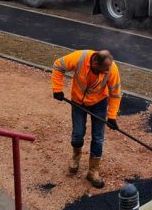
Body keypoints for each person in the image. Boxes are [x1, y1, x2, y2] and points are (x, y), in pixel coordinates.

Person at [51, 49, 122, 188]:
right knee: (77, 134)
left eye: (108, 68)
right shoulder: (80, 57)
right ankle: (75, 159)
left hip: (99, 103)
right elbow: (58, 65)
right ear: (95, 63)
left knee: (98, 137)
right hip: (78, 101)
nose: (107, 71)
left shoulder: (112, 69)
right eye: (104, 69)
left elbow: (115, 93)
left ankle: (93, 171)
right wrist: (57, 89)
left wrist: (112, 117)